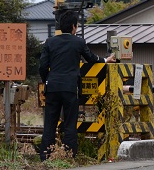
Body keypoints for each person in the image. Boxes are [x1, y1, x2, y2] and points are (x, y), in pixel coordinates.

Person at [39, 10, 116, 161]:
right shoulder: (78, 42)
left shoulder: (50, 42)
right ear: (73, 27)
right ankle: (69, 156)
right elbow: (91, 58)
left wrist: (47, 80)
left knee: (50, 123)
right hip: (70, 88)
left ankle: (45, 156)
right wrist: (106, 60)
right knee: (70, 122)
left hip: (52, 87)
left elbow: (42, 66)